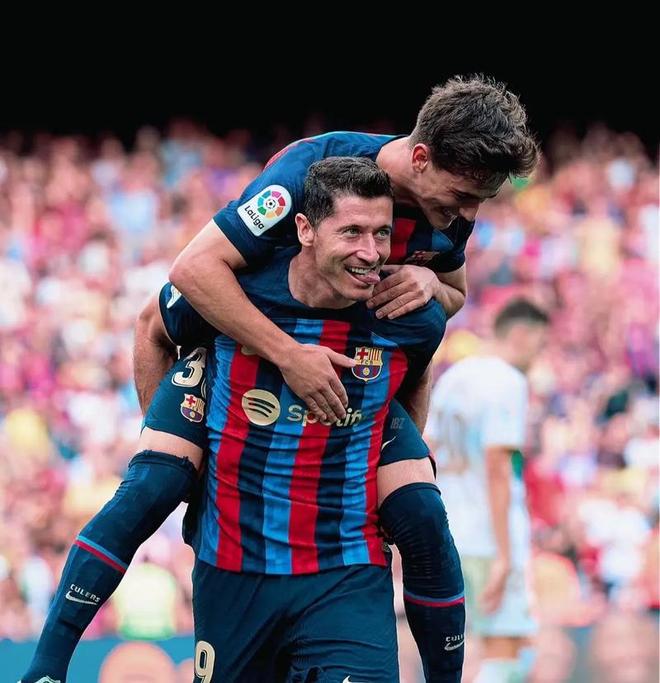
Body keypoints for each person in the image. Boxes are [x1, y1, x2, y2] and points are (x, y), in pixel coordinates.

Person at [22, 73, 539, 682]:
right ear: (421, 159)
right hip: (239, 373)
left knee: (421, 514)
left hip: (353, 398)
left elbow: (447, 303)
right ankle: (45, 669)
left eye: (482, 199)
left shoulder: (448, 206)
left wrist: (431, 283)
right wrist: (281, 363)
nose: (471, 214)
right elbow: (179, 288)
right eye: (464, 196)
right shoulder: (304, 176)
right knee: (155, 485)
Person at [159, 156, 447, 681]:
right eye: (353, 232)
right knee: (142, 493)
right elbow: (151, 326)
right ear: (305, 230)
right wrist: (178, 458)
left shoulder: (408, 311)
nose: (371, 251)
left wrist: (389, 468)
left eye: (382, 234)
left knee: (424, 513)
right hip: (235, 565)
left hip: (347, 565)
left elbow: (417, 369)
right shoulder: (232, 288)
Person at [425, 299, 550, 683]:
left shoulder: (453, 378)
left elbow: (427, 449)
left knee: (473, 653)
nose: (538, 357)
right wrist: (504, 555)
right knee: (506, 652)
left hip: (449, 531)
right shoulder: (507, 381)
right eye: (539, 345)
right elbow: (497, 466)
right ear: (521, 335)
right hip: (488, 538)